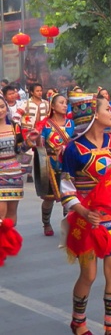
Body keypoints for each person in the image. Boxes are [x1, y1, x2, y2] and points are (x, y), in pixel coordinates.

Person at [60, 93, 111, 335]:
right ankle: (78, 322)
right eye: (108, 109)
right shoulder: (73, 150)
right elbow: (66, 190)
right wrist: (83, 211)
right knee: (88, 275)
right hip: (86, 220)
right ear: (93, 115)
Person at [37, 93, 75, 237]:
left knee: (69, 196)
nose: (65, 105)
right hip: (50, 165)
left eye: (66, 103)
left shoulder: (72, 124)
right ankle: (46, 223)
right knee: (49, 198)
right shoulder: (46, 124)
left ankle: (68, 224)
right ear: (52, 106)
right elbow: (40, 145)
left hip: (67, 164)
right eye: (61, 103)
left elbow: (76, 143)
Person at [0, 96, 33, 228]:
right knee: (1, 215)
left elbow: (20, 150)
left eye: (2, 106)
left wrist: (30, 142)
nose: (0, 110)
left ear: (7, 108)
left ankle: (9, 244)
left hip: (14, 175)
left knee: (11, 215)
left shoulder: (14, 127)